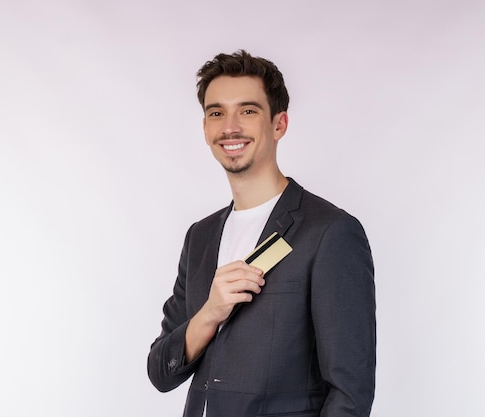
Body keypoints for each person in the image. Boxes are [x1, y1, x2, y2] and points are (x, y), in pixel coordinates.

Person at [147, 50, 376, 417]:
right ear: (205, 128)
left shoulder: (329, 232)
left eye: (248, 111)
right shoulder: (200, 237)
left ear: (279, 124)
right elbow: (161, 371)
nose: (230, 126)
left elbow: (350, 393)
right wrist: (210, 313)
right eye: (216, 112)